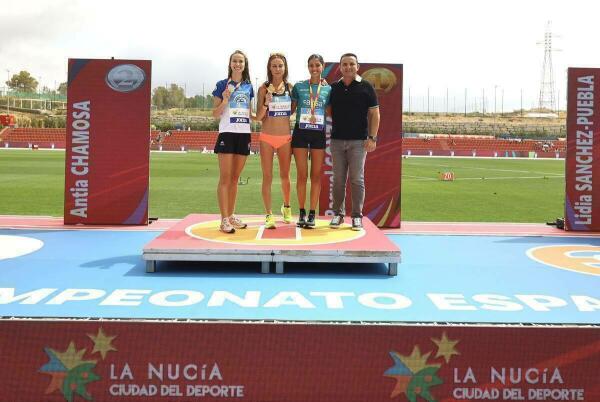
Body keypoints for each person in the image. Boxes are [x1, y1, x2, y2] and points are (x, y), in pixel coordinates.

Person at [328, 53, 380, 231]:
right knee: (338, 180)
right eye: (344, 64)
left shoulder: (366, 87)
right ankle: (338, 214)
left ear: (357, 66)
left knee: (357, 180)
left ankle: (357, 216)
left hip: (359, 142)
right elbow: (328, 111)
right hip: (336, 141)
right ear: (340, 67)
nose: (348, 67)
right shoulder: (333, 88)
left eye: (351, 64)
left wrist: (372, 137)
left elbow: (374, 114)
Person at [212, 50, 254, 233]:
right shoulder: (221, 84)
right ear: (230, 64)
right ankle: (223, 220)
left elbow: (250, 114)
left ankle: (231, 215)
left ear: (245, 65)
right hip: (227, 133)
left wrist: (268, 108)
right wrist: (225, 100)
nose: (238, 64)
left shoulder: (249, 86)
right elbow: (215, 114)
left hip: (244, 134)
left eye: (241, 62)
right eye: (235, 61)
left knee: (235, 179)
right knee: (225, 178)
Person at [291, 54, 331, 228]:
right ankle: (301, 211)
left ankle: (312, 213)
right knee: (301, 175)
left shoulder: (328, 89)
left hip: (318, 134)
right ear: (308, 67)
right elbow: (290, 109)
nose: (314, 68)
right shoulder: (299, 86)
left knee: (315, 176)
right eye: (311, 65)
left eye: (317, 65)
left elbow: (330, 111)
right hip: (300, 132)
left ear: (323, 66)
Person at [255, 53, 293, 229]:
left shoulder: (291, 88)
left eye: (280, 66)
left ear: (285, 68)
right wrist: (265, 103)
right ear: (269, 68)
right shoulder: (263, 89)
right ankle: (269, 214)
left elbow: (293, 111)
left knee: (285, 177)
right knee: (267, 177)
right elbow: (258, 117)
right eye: (274, 66)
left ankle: (286, 207)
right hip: (267, 137)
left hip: (285, 138)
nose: (277, 69)